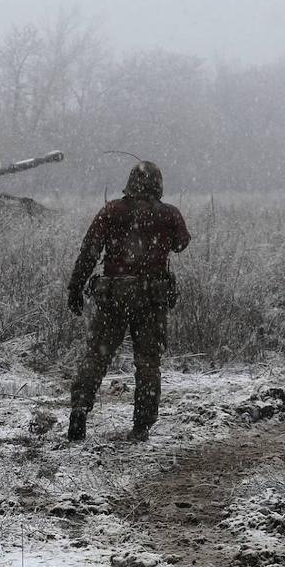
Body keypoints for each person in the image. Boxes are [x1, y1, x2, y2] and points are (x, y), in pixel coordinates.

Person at [66, 161, 190, 442]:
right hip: (151, 299)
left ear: (131, 182)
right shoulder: (169, 214)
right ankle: (141, 426)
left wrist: (75, 286)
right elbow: (181, 243)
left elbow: (89, 252)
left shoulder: (112, 211)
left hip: (113, 297)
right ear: (157, 184)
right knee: (147, 363)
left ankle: (79, 410)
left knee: (96, 357)